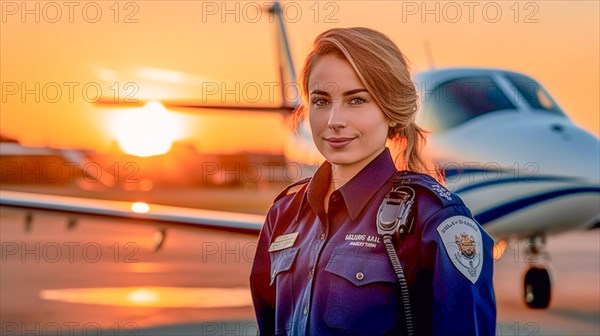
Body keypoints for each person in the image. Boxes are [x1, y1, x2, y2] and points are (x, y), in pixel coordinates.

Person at [249, 27, 496, 335]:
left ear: (390, 111)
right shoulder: (284, 215)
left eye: (357, 101)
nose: (334, 120)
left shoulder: (434, 220)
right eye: (321, 101)